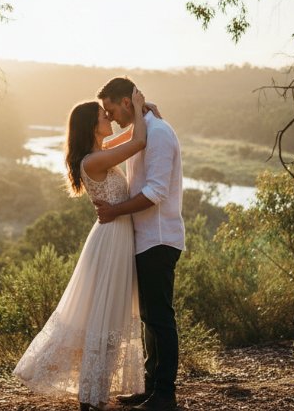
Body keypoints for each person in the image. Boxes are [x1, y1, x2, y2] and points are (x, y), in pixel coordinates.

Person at [14, 88, 153, 411]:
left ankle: (94, 393)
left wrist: (143, 111)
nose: (111, 119)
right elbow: (138, 142)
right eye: (104, 116)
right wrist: (136, 106)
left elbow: (130, 137)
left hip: (115, 236)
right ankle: (91, 396)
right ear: (92, 126)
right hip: (111, 239)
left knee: (109, 312)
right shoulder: (95, 160)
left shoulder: (99, 153)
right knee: (105, 314)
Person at [94, 77, 185, 411]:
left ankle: (165, 394)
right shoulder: (143, 130)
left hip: (159, 238)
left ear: (126, 102)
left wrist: (114, 211)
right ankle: (149, 387)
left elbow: (155, 192)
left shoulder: (158, 134)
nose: (110, 116)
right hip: (144, 239)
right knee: (149, 316)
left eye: (111, 109)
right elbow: (104, 145)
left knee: (159, 317)